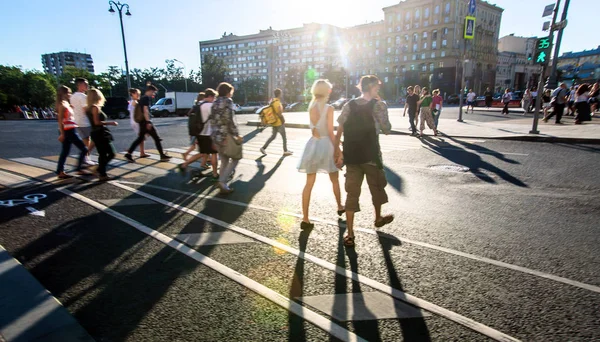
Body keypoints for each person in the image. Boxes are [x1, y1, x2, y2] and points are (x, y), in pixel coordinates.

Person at [334, 75, 394, 248]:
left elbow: (339, 128)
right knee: (376, 187)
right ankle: (377, 218)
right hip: (372, 156)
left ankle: (350, 234)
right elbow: (387, 129)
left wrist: (338, 152)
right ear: (373, 87)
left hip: (352, 157)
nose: (378, 90)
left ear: (360, 87)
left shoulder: (349, 105)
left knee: (352, 194)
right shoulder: (379, 105)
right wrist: (382, 107)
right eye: (377, 87)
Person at [297, 80, 344, 230]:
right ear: (327, 91)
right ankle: (340, 205)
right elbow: (330, 132)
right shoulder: (328, 108)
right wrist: (338, 148)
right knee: (334, 179)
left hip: (312, 145)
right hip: (326, 146)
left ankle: (305, 218)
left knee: (309, 183)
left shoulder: (311, 106)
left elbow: (315, 128)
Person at [179, 89, 219, 181]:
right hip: (209, 133)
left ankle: (184, 164)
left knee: (203, 153)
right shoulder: (210, 105)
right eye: (214, 97)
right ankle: (215, 174)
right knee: (214, 153)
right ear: (211, 96)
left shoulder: (198, 104)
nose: (214, 99)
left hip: (199, 133)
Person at [124, 85, 171, 163]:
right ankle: (162, 156)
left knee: (140, 139)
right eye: (153, 92)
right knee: (156, 138)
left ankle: (129, 154)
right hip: (145, 122)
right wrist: (148, 122)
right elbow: (145, 110)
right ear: (150, 91)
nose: (154, 94)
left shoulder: (142, 98)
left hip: (142, 122)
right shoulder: (145, 98)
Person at [211, 82, 243, 194]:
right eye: (231, 92)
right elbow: (229, 119)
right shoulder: (227, 101)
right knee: (236, 158)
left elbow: (213, 120)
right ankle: (222, 181)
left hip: (215, 135)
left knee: (224, 160)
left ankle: (222, 183)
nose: (232, 94)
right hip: (225, 135)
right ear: (228, 92)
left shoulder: (214, 102)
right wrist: (236, 134)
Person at [55, 85, 89, 179]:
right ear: (64, 94)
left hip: (70, 129)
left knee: (65, 152)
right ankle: (78, 169)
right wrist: (62, 134)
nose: (70, 94)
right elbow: (60, 120)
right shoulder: (62, 105)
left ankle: (60, 171)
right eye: (69, 93)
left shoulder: (66, 103)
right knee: (84, 149)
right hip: (68, 131)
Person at [86, 88, 118, 181]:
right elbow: (96, 122)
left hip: (95, 132)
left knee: (103, 154)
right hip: (100, 132)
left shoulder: (88, 108)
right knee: (109, 154)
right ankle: (101, 173)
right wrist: (110, 123)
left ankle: (101, 171)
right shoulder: (95, 107)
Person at [70, 78, 96, 166]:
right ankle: (85, 156)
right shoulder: (83, 96)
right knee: (95, 139)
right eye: (85, 84)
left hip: (76, 121)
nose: (87, 86)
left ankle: (85, 157)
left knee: (85, 140)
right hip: (85, 121)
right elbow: (86, 110)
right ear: (79, 85)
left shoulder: (73, 96)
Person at [260, 88, 293, 156]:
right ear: (279, 94)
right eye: (281, 93)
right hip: (278, 122)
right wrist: (282, 117)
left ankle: (263, 148)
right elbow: (279, 112)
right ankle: (285, 150)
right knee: (284, 137)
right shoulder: (277, 102)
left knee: (273, 136)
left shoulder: (272, 101)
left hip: (273, 122)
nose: (282, 94)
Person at [182, 92, 206, 165]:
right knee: (196, 146)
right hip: (198, 130)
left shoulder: (195, 106)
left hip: (192, 128)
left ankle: (206, 159)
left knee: (196, 146)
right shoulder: (201, 106)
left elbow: (189, 114)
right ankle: (186, 155)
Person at [128, 88, 149, 158]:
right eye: (137, 94)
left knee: (141, 137)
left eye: (139, 94)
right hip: (136, 122)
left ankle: (142, 152)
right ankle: (130, 151)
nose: (138, 95)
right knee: (141, 137)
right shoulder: (134, 102)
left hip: (134, 121)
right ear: (132, 94)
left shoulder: (132, 102)